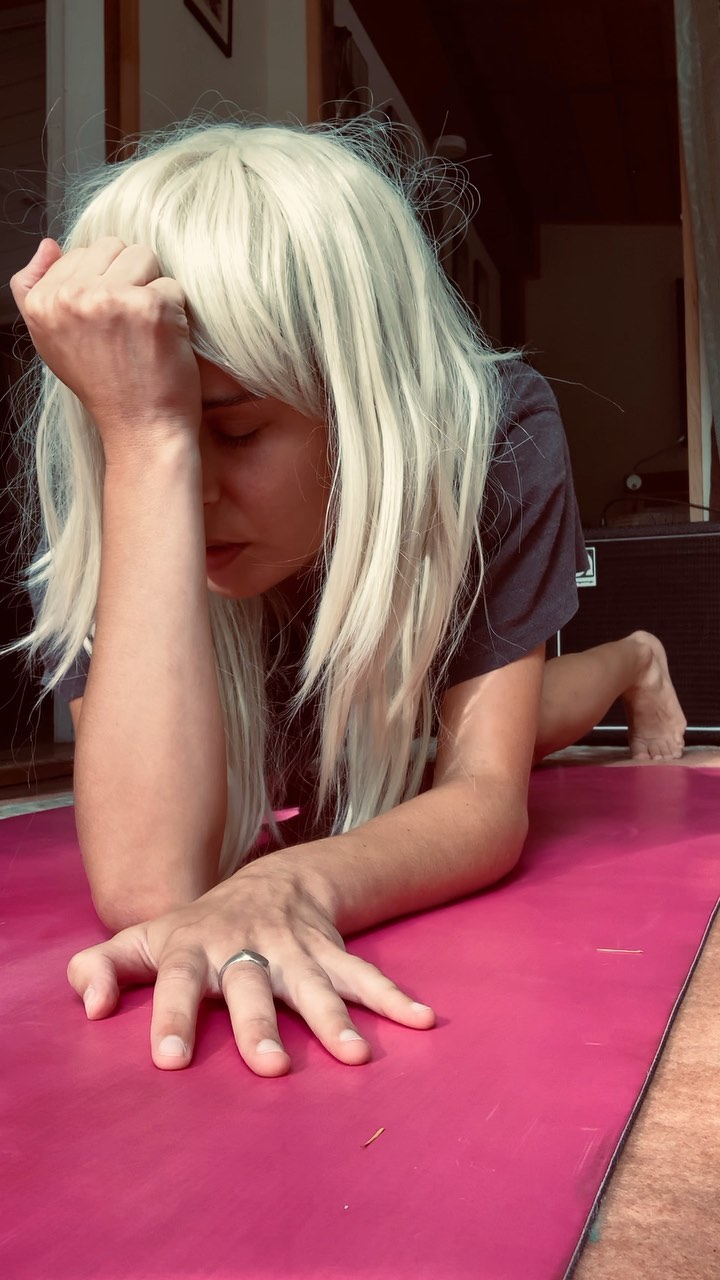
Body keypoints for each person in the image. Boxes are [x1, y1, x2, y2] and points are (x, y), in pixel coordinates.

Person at [8, 116, 686, 1078]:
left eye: (235, 433)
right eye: (159, 432)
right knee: (341, 773)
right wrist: (142, 440)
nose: (192, 494)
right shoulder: (120, 450)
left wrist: (290, 884)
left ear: (364, 398)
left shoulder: (497, 433)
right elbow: (152, 887)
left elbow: (484, 794)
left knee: (499, 729)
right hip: (270, 688)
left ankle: (632, 658)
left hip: (405, 647)